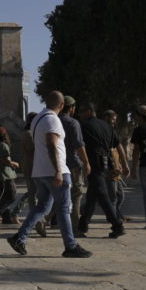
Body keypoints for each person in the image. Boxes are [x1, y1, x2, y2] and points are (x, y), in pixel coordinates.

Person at [7, 91, 92, 258]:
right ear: (61, 105)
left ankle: (19, 237)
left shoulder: (37, 119)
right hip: (54, 171)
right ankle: (70, 246)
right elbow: (52, 144)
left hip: (40, 171)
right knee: (63, 208)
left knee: (43, 207)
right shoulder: (52, 119)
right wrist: (58, 171)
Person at [76, 103, 126, 238]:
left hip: (93, 164)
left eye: (81, 111)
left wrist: (85, 162)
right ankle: (82, 226)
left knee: (102, 194)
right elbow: (118, 145)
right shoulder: (107, 126)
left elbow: (80, 146)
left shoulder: (84, 126)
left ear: (89, 111)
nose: (79, 115)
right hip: (105, 164)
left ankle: (117, 225)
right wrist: (124, 164)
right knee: (92, 195)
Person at [58, 96, 91, 233]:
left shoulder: (55, 121)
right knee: (76, 193)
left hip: (58, 163)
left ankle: (44, 219)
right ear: (72, 108)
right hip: (73, 163)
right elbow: (79, 145)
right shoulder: (73, 123)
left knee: (59, 195)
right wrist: (86, 162)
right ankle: (75, 225)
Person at [103, 110, 130, 221]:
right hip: (110, 169)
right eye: (112, 120)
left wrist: (123, 165)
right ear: (106, 118)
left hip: (116, 170)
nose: (114, 122)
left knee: (120, 196)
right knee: (113, 197)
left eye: (115, 120)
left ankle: (117, 214)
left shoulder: (112, 131)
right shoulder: (103, 131)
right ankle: (113, 219)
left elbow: (119, 148)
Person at [0, 127, 21, 222]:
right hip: (6, 175)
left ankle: (6, 218)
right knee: (12, 196)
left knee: (4, 197)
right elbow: (5, 160)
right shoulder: (4, 146)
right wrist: (14, 163)